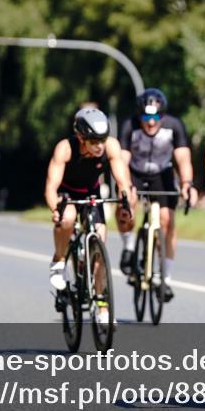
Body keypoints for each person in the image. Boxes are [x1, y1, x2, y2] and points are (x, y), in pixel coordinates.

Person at [44, 107, 138, 325]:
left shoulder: (111, 146)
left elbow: (123, 182)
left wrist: (126, 203)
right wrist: (55, 209)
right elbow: (50, 188)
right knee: (67, 218)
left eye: (102, 140)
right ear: (81, 138)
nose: (99, 146)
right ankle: (59, 261)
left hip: (91, 193)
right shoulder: (65, 149)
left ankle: (102, 307)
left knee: (100, 246)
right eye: (94, 141)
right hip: (66, 193)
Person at [118, 88, 198, 301]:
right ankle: (129, 246)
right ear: (139, 115)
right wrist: (125, 187)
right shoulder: (129, 126)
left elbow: (183, 159)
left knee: (167, 221)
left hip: (162, 173)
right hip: (134, 172)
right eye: (146, 117)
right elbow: (121, 161)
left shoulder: (174, 126)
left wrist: (187, 184)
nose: (151, 122)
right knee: (126, 204)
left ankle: (166, 278)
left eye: (156, 117)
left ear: (163, 115)